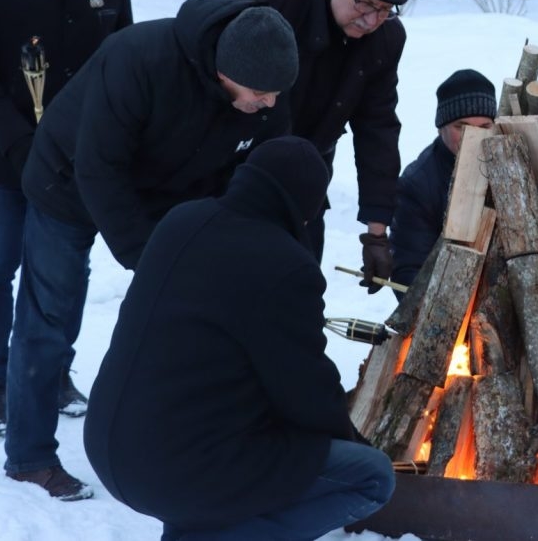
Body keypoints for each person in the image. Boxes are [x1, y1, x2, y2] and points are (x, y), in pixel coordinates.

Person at [5, 0, 298, 500]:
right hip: (68, 180)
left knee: (185, 310)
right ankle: (29, 456)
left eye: (276, 94)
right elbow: (99, 170)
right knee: (50, 318)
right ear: (224, 72)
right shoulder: (139, 60)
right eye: (260, 94)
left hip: (168, 189)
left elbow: (254, 175)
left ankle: (188, 431)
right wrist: (152, 259)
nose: (269, 104)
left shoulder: (266, 88)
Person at [84, 136, 394, 540]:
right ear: (304, 205)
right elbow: (305, 388)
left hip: (111, 443)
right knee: (371, 477)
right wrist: (356, 441)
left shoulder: (182, 221)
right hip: (175, 470)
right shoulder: (283, 266)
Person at [0, 0, 131, 438]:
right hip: (1, 154)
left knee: (65, 269)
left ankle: (52, 369)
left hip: (75, 159)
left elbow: (123, 66)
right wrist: (16, 142)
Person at [221, 0, 411, 295]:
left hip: (308, 167)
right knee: (233, 287)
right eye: (366, 4)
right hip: (234, 164)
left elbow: (378, 129)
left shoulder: (385, 38)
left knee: (298, 286)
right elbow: (212, 76)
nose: (372, 20)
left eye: (386, 9)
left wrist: (377, 232)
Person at [389, 69, 497, 289]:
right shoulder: (418, 184)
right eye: (462, 126)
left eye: (484, 127)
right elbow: (410, 267)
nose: (474, 136)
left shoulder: (512, 161)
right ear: (442, 128)